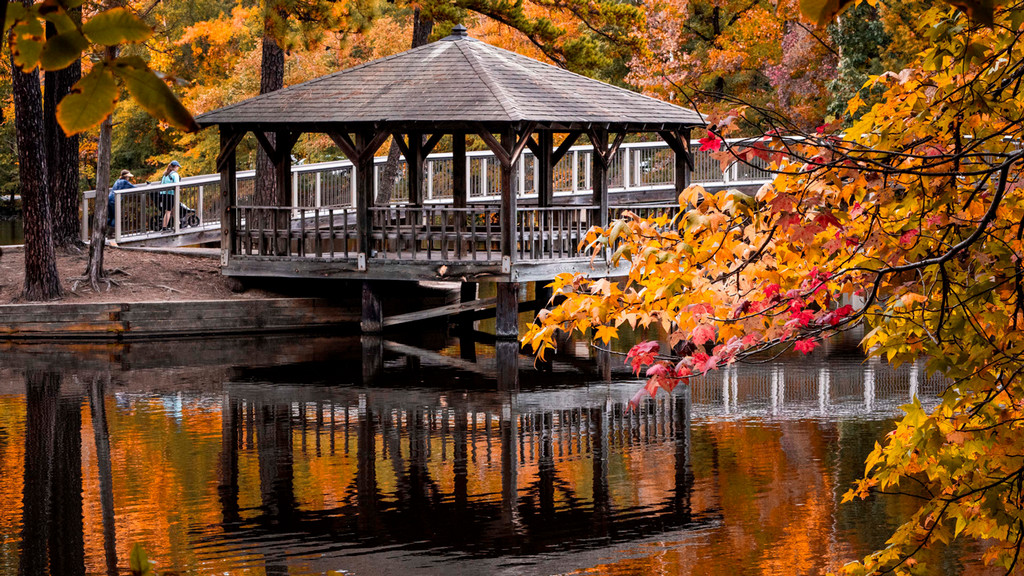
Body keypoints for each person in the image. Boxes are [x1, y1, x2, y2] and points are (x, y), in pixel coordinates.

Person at [158, 160, 181, 231]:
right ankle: (164, 228)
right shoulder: (175, 174)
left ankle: (177, 223)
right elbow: (177, 184)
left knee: (168, 211)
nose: (178, 168)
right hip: (170, 194)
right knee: (168, 211)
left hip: (163, 194)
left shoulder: (165, 174)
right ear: (175, 167)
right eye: (178, 167)